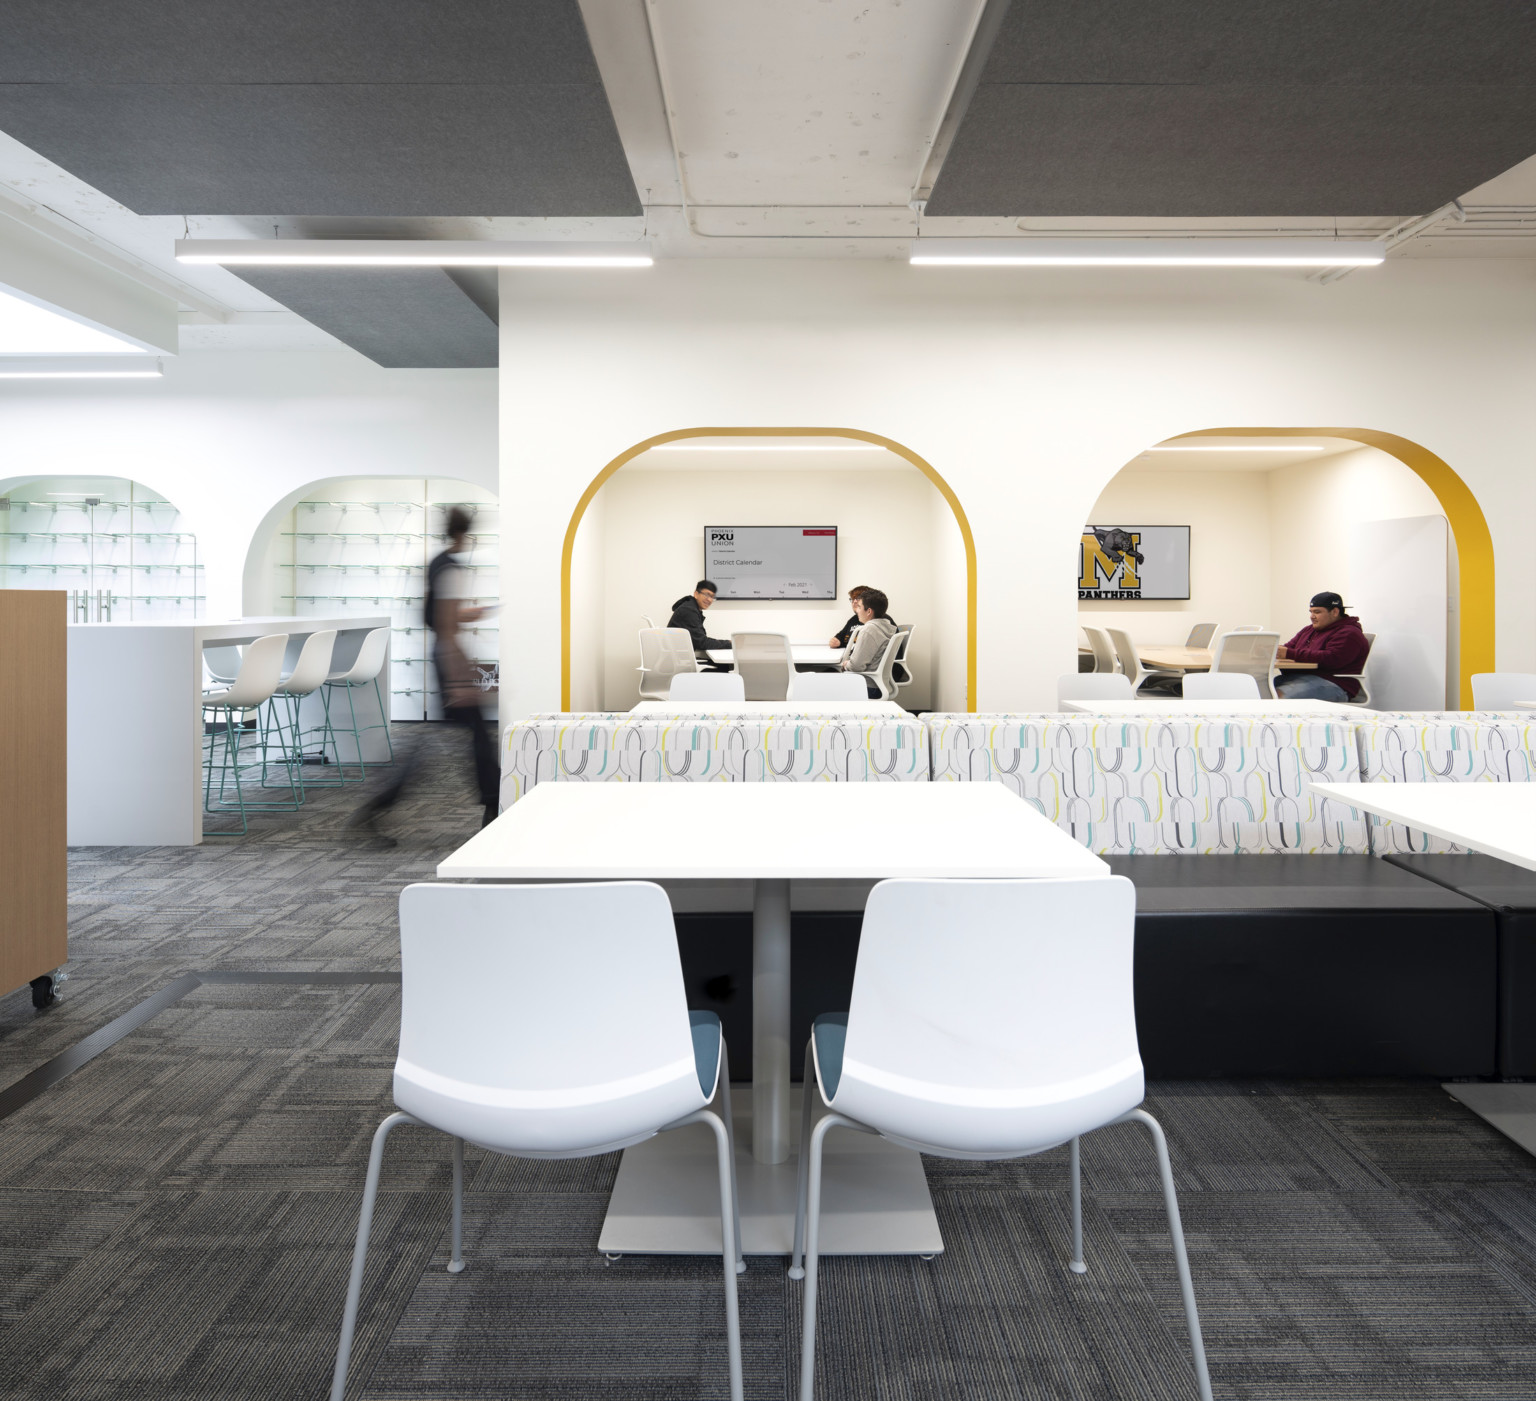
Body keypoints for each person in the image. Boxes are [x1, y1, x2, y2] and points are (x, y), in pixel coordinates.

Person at [348, 506, 500, 841]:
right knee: (469, 738)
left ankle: (493, 809)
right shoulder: (452, 570)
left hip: (444, 654)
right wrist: (460, 678)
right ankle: (493, 810)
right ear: (466, 534)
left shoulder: (438, 563)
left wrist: (476, 613)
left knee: (462, 738)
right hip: (448, 656)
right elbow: (447, 626)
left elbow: (445, 616)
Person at [1274, 591, 1370, 702]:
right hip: (1301, 678)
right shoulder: (1309, 629)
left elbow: (1332, 658)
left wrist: (1289, 653)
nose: (1312, 616)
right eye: (1311, 612)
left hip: (1334, 684)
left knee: (1277, 697)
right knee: (1259, 690)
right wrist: (1273, 651)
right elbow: (1289, 648)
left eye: (1317, 612)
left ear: (1335, 612)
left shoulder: (1349, 633)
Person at [839, 588, 898, 697]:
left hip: (867, 686)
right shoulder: (886, 626)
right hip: (879, 685)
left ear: (869, 611)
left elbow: (856, 666)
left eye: (859, 607)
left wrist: (846, 664)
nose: (857, 610)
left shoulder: (869, 630)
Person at [667, 580, 732, 654]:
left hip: (679, 657)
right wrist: (729, 643)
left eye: (712, 597)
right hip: (680, 660)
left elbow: (700, 640)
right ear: (696, 594)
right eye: (707, 595)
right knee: (725, 665)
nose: (709, 599)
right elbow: (702, 642)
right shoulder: (689, 610)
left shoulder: (691, 608)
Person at [829, 585, 898, 648]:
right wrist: (837, 641)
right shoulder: (853, 619)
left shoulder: (881, 621)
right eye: (852, 599)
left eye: (858, 598)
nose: (854, 602)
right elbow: (840, 637)